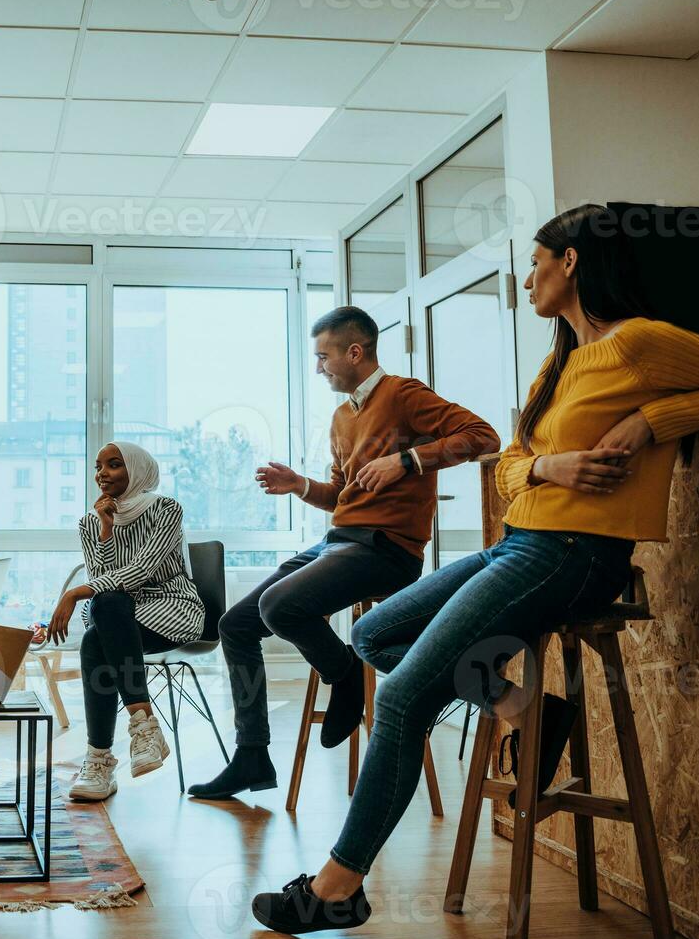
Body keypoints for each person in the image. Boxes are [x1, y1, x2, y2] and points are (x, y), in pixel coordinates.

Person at [253, 203, 699, 935]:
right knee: (375, 637)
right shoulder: (558, 364)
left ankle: (338, 886)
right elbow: (510, 471)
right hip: (520, 545)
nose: (526, 280)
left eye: (535, 262)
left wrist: (653, 421)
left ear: (572, 262)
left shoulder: (642, 345)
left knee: (400, 701)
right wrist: (551, 463)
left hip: (575, 554)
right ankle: (527, 708)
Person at [188, 306, 499, 800]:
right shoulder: (341, 416)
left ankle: (345, 670)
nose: (319, 368)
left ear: (355, 352)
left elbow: (484, 436)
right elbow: (340, 494)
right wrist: (300, 486)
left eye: (323, 357)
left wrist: (408, 460)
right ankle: (251, 756)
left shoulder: (404, 394)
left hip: (387, 549)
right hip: (341, 540)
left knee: (279, 606)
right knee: (236, 625)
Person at [40, 442, 203, 802]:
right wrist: (106, 530)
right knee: (100, 624)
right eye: (98, 467)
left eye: (114, 465)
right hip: (117, 615)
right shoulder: (90, 521)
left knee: (102, 617)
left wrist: (73, 593)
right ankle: (138, 733)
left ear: (138, 470)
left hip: (169, 608)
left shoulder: (166, 509)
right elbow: (105, 577)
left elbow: (143, 570)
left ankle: (102, 758)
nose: (102, 474)